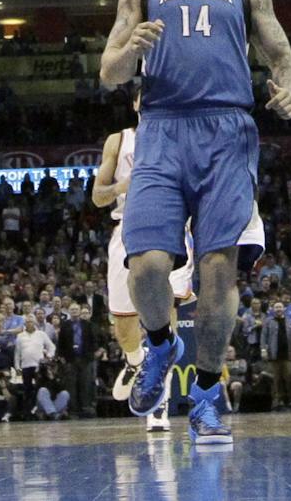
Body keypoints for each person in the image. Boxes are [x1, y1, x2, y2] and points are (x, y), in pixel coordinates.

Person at [98, 0, 291, 446]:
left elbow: (282, 57)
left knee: (218, 272)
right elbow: (108, 72)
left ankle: (208, 398)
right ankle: (161, 346)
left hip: (227, 131)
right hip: (162, 128)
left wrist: (289, 91)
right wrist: (130, 50)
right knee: (146, 267)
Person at [91, 99, 198, 433]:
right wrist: (127, 184)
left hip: (170, 225)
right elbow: (98, 196)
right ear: (136, 102)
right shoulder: (118, 141)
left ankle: (158, 403)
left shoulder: (181, 135)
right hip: (127, 226)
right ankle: (135, 360)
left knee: (166, 315)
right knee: (125, 326)